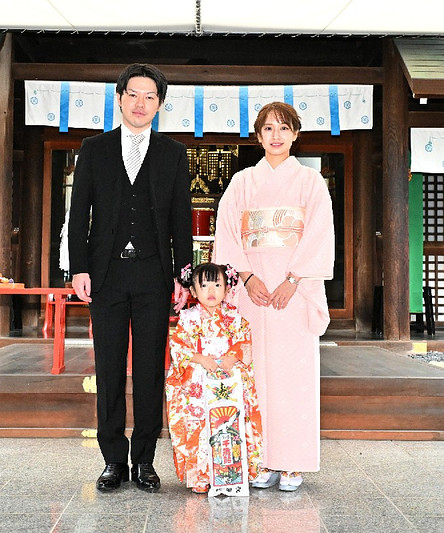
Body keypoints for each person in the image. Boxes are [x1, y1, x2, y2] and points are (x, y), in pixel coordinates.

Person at [67, 63, 193, 493]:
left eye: (150, 97)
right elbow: (78, 213)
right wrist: (79, 268)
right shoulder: (94, 149)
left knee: (150, 369)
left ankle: (145, 460)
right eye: (133, 94)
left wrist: (183, 275)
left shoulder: (173, 153)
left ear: (160, 104)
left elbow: (181, 220)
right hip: (106, 275)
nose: (141, 103)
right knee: (109, 368)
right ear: (119, 98)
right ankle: (112, 460)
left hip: (154, 276)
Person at [213, 102, 334, 492]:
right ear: (258, 136)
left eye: (283, 128)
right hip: (253, 291)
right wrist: (246, 276)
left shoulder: (310, 182)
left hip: (293, 290)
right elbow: (227, 233)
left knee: (293, 375)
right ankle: (261, 458)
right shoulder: (242, 182)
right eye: (268, 129)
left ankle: (293, 461)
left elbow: (318, 234)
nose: (276, 135)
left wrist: (293, 279)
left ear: (295, 134)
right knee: (254, 372)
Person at [165, 262, 263, 495]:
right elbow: (178, 346)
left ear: (227, 289)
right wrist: (199, 358)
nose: (211, 291)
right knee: (199, 427)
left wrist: (233, 357)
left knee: (230, 426)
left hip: (229, 380)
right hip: (199, 383)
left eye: (217, 285)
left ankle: (233, 473)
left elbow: (244, 342)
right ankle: (200, 476)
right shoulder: (188, 318)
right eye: (204, 286)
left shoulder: (235, 317)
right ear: (193, 290)